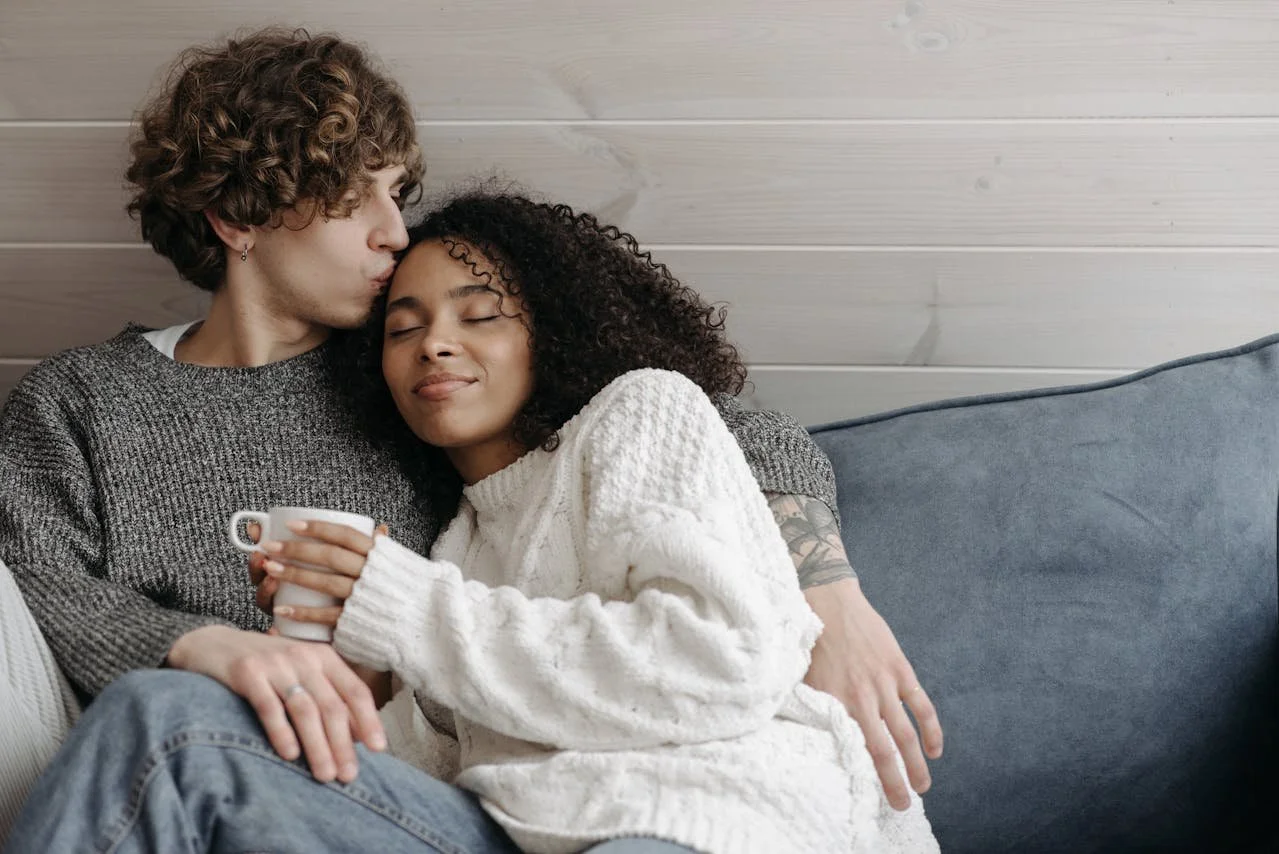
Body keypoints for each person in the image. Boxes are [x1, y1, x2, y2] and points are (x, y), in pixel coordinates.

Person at [0, 26, 938, 847]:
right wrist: (200, 647)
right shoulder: (85, 401)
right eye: (354, 198)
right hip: (220, 774)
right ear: (240, 217)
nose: (391, 231)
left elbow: (712, 423)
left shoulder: (411, 376)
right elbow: (32, 577)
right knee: (162, 716)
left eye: (397, 195)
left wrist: (827, 589)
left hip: (407, 792)